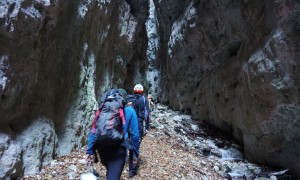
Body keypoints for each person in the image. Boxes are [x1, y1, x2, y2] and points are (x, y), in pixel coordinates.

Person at [85, 89, 140, 180]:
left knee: (110, 169)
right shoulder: (130, 111)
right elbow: (135, 135)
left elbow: (94, 130)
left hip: (102, 148)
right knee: (113, 174)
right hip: (118, 150)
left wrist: (89, 151)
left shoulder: (103, 109)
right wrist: (134, 153)